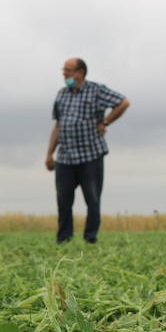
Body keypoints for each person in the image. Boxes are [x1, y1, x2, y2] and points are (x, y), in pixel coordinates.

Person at [45, 58, 130, 244]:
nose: (64, 74)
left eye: (68, 70)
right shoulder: (61, 94)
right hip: (65, 157)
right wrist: (49, 154)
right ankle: (64, 238)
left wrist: (105, 122)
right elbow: (58, 125)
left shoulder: (96, 90)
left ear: (80, 72)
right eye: (63, 70)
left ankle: (90, 238)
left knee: (92, 198)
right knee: (63, 200)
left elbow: (123, 102)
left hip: (90, 154)